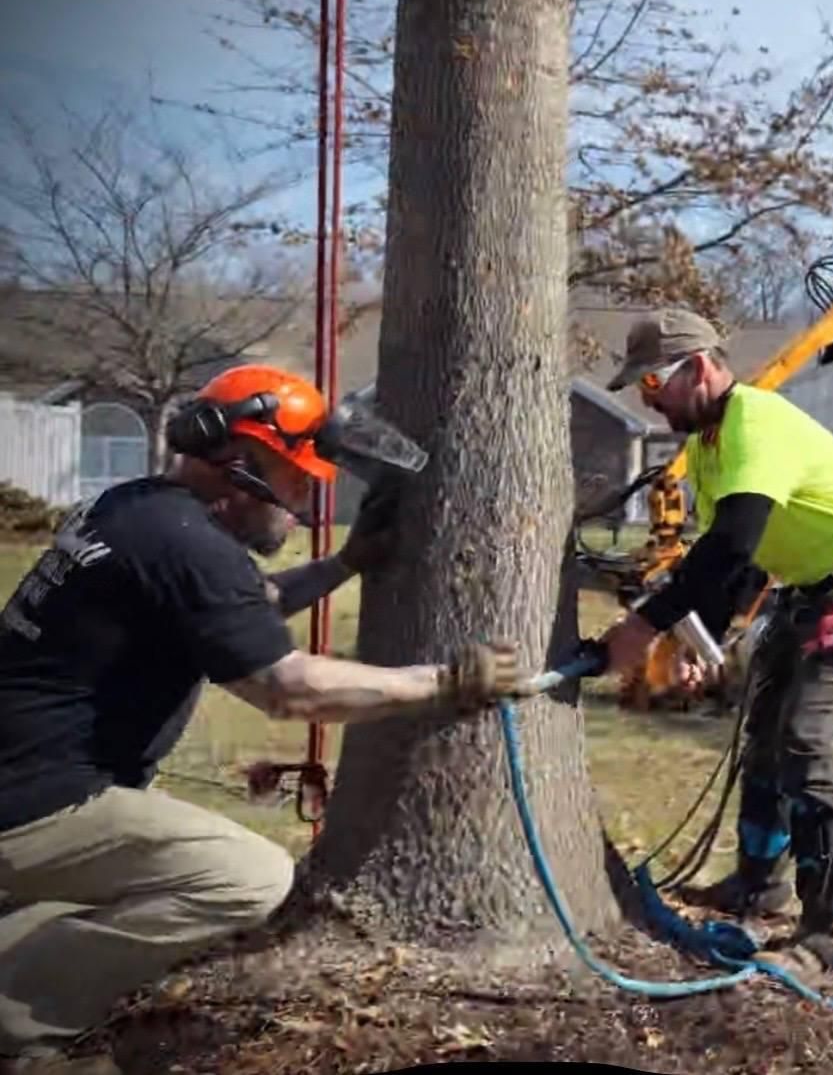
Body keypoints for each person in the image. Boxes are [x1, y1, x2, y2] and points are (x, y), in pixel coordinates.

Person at [0, 365, 520, 1075]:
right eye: (298, 479)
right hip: (35, 804)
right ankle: (14, 1014)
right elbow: (290, 690)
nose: (305, 504)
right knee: (245, 875)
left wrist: (344, 565)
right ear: (240, 466)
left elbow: (241, 608)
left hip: (24, 781)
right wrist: (447, 682)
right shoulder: (188, 546)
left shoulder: (142, 510)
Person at [597, 308, 833, 974]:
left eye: (654, 383)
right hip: (813, 585)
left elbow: (732, 539)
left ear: (698, 368)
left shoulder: (755, 422)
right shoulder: (711, 448)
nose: (648, 400)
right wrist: (700, 640)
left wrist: (646, 624)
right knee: (764, 735)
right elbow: (737, 565)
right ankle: (757, 881)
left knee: (805, 739)